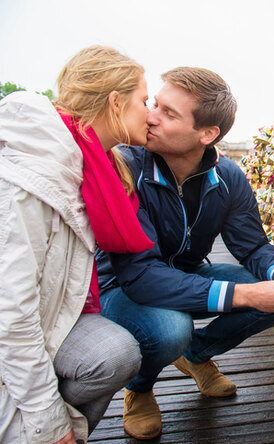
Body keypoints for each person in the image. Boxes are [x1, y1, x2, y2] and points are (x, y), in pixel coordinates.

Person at [96, 67, 274, 440]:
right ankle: (141, 387)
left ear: (207, 135)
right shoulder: (126, 166)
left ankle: (194, 355)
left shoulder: (228, 176)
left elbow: (251, 244)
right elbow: (141, 274)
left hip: (187, 274)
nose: (151, 117)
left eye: (169, 113)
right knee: (169, 329)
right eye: (155, 105)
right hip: (122, 286)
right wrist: (245, 293)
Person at [0, 46, 155, 443]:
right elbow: (10, 315)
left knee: (115, 354)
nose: (150, 114)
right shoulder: (33, 177)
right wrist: (50, 425)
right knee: (113, 354)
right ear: (115, 103)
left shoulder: (87, 163)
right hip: (17, 326)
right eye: (144, 100)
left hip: (50, 312)